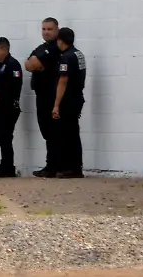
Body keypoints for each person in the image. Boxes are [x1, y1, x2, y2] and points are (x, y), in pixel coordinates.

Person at [24, 17, 61, 177]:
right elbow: (28, 64)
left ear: (57, 30)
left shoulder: (55, 48)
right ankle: (50, 165)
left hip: (51, 95)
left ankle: (55, 166)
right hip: (41, 94)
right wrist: (34, 64)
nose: (46, 32)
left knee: (54, 131)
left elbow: (33, 64)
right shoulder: (41, 47)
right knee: (46, 130)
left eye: (49, 29)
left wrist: (34, 64)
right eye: (44, 29)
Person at [52, 27, 87, 178]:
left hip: (69, 100)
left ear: (60, 40)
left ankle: (71, 168)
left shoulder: (66, 57)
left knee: (67, 134)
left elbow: (63, 80)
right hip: (77, 97)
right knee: (73, 133)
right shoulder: (78, 53)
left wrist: (56, 104)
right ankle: (75, 167)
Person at [0, 37, 23, 178]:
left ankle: (7, 168)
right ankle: (6, 166)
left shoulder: (13, 65)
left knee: (5, 137)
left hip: (8, 108)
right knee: (2, 138)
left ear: (4, 49)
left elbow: (15, 86)